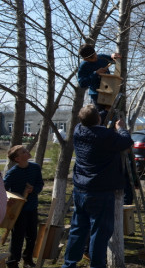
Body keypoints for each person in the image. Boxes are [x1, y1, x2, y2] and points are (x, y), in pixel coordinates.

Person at [61, 104, 133, 268]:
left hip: (80, 190)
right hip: (100, 192)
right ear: (98, 120)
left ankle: (69, 264)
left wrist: (105, 112)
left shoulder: (78, 130)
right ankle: (97, 265)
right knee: (99, 233)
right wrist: (121, 128)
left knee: (78, 230)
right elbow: (126, 141)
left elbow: (90, 119)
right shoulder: (106, 135)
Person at [4, 145, 44, 268]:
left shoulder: (35, 168)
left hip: (32, 207)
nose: (27, 152)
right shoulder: (12, 173)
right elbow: (3, 190)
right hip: (18, 210)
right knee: (18, 236)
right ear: (17, 159)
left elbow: (40, 183)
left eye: (26, 150)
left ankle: (28, 259)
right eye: (24, 152)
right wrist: (8, 199)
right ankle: (13, 261)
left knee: (32, 235)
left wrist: (34, 189)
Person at [77, 44, 121, 122]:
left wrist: (113, 56)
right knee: (98, 119)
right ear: (85, 59)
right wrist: (95, 74)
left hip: (109, 92)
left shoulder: (101, 57)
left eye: (94, 55)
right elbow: (82, 83)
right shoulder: (84, 66)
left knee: (112, 118)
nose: (95, 58)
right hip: (96, 96)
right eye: (91, 58)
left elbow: (111, 58)